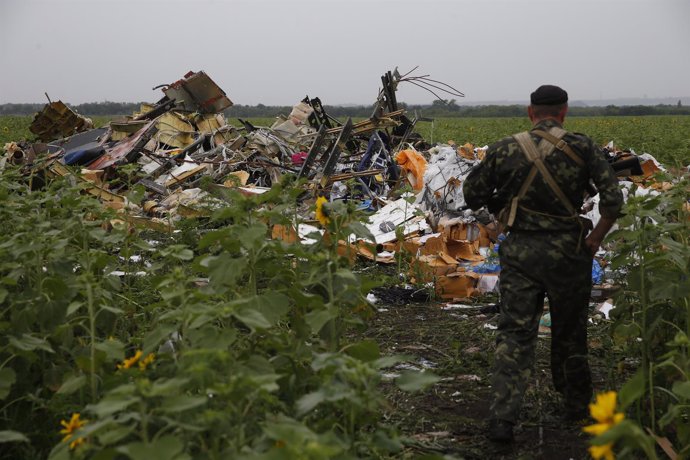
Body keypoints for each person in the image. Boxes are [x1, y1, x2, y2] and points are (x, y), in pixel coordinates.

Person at [461, 85, 624, 443]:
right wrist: (594, 240)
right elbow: (613, 199)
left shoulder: (505, 148)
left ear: (530, 111)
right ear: (564, 112)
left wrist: (500, 210)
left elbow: (471, 194)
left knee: (515, 334)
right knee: (570, 331)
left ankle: (503, 419)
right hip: (569, 254)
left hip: (520, 253)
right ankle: (575, 407)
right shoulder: (583, 147)